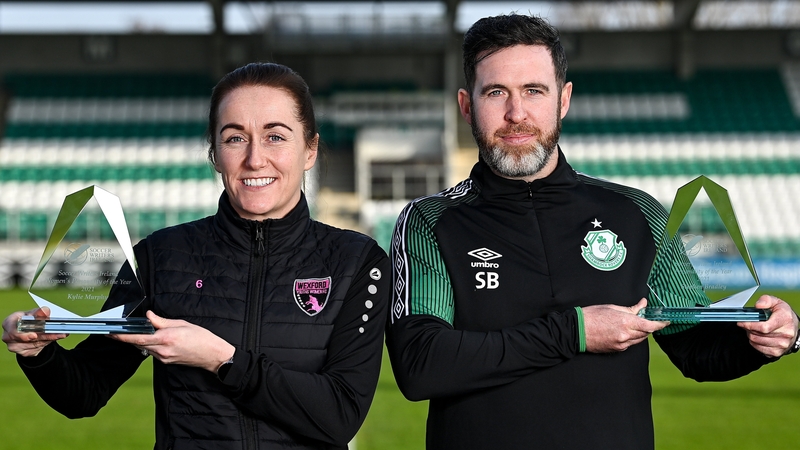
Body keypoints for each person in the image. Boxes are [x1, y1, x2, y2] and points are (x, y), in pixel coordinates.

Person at [385, 13, 800, 450]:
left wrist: (766, 338)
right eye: (496, 92)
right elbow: (421, 363)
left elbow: (695, 345)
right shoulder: (430, 221)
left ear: (563, 100)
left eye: (533, 90)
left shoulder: (635, 213)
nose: (516, 113)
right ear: (467, 105)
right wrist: (574, 332)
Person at [2, 62, 390, 450]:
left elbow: (339, 416)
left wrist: (222, 359)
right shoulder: (160, 257)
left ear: (310, 149)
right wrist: (40, 354)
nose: (255, 159)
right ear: (215, 155)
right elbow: (83, 393)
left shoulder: (356, 262)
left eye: (275, 137)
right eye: (235, 138)